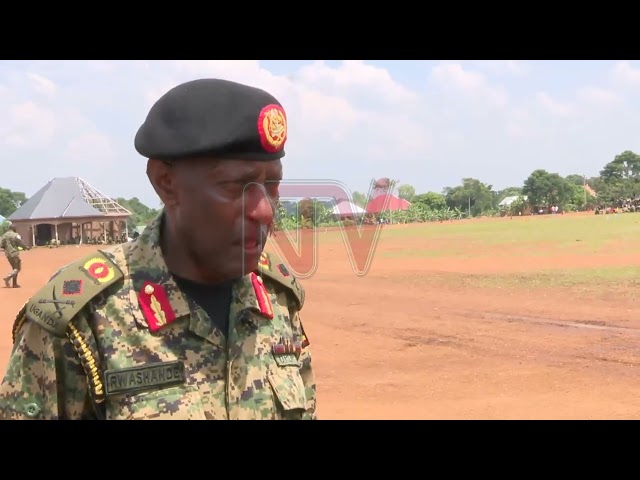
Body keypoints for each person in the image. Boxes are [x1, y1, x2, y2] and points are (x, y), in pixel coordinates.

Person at [0, 78, 316, 420]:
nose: (264, 210)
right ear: (166, 183)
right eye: (236, 185)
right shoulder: (84, 318)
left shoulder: (277, 298)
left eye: (272, 185)